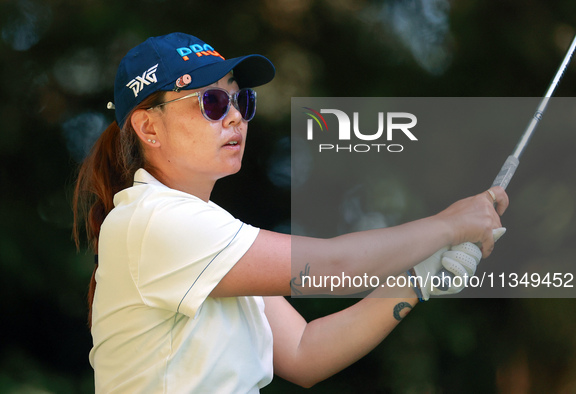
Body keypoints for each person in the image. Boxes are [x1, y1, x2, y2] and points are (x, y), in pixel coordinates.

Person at [73, 32, 509, 393]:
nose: (235, 119)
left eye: (240, 102)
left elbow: (305, 351)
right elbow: (336, 265)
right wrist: (449, 226)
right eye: (211, 103)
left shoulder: (208, 234)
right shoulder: (154, 221)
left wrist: (418, 276)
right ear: (148, 127)